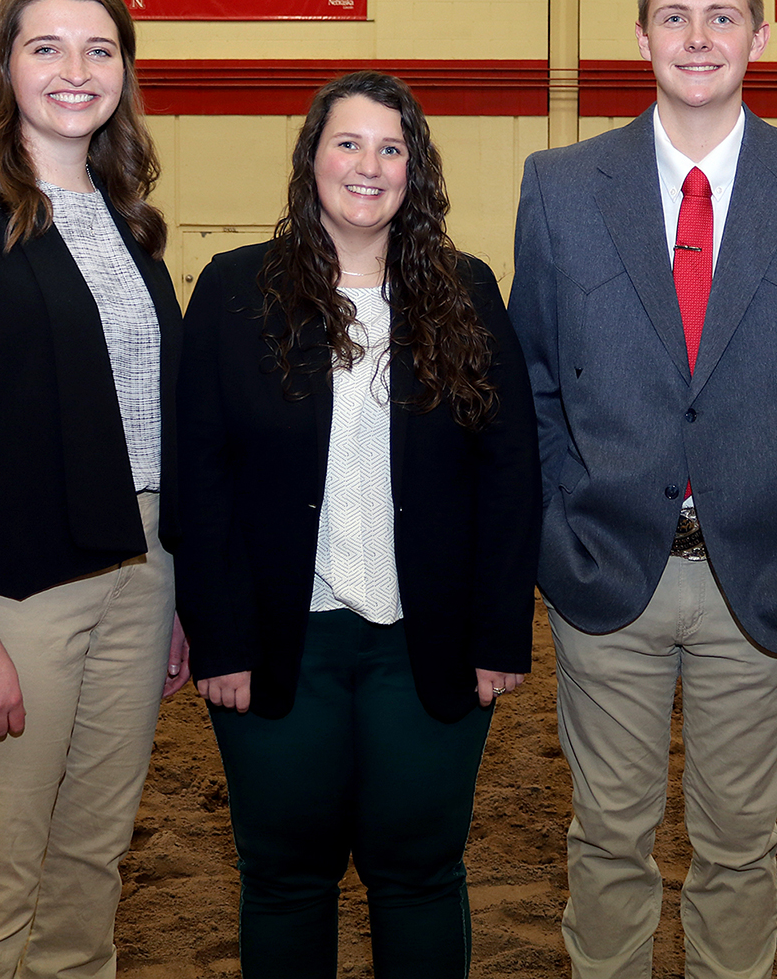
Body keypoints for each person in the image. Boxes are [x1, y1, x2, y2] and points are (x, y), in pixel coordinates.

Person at [509, 0, 777, 979]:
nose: (698, 38)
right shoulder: (560, 185)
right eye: (675, 17)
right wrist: (553, 534)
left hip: (762, 570)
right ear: (642, 38)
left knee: (739, 848)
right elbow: (531, 379)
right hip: (603, 572)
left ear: (760, 37)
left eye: (722, 16)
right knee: (606, 840)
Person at [174, 70, 541, 979]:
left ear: (414, 171)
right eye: (349, 143)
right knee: (286, 878)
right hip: (274, 641)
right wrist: (220, 642)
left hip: (431, 645)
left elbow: (510, 475)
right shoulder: (231, 290)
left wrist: (499, 636)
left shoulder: (465, 292)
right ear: (311, 160)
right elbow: (199, 479)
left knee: (418, 873)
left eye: (391, 148)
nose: (369, 165)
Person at [0, 0, 187, 978]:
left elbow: (154, 422)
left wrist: (179, 594)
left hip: (143, 572)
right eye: (46, 45)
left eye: (100, 48)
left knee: (91, 863)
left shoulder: (130, 220)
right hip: (16, 592)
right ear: (6, 65)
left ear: (124, 72)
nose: (76, 68)